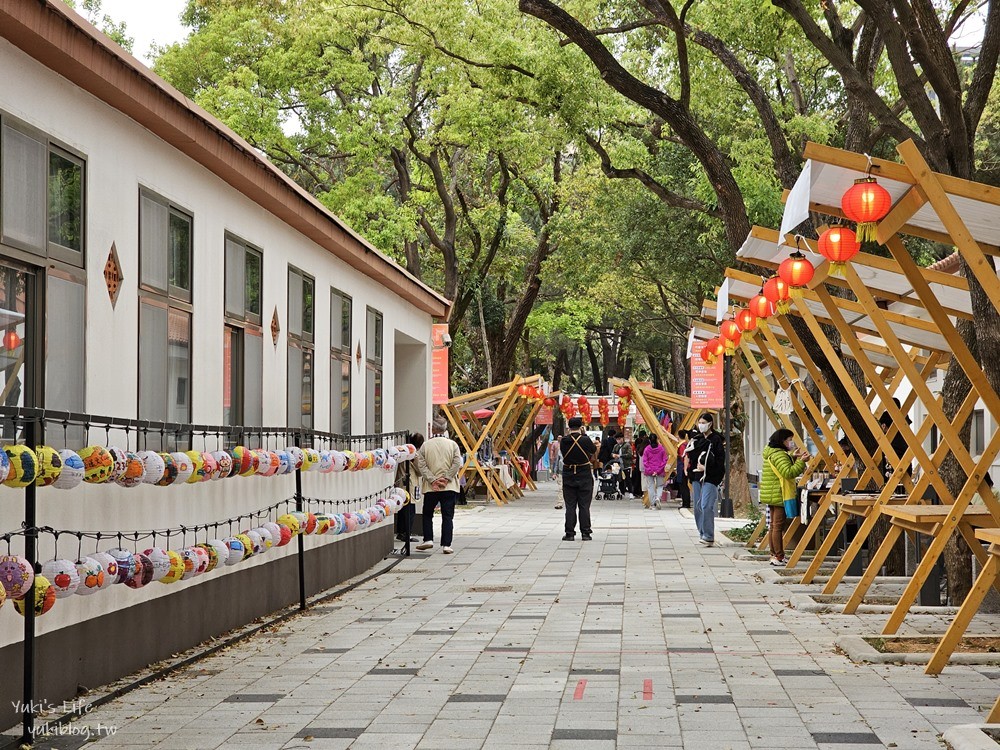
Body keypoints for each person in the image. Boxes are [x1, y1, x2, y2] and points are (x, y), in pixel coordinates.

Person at [760, 428, 809, 566]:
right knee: (777, 527)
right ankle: (779, 556)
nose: (791, 442)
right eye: (789, 439)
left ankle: (773, 554)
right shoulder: (780, 454)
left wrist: (793, 457)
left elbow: (782, 466)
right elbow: (788, 472)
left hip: (772, 493)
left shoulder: (773, 453)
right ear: (782, 441)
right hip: (779, 493)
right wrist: (801, 461)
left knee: (773, 526)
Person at [415, 420, 463, 554]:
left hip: (431, 487)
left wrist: (433, 480)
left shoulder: (426, 445)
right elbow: (456, 463)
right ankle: (446, 545)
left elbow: (421, 465)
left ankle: (428, 539)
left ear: (433, 430)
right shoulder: (453, 445)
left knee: (427, 513)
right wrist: (446, 478)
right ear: (445, 429)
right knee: (447, 515)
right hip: (449, 486)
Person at [687, 413, 726, 546]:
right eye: (700, 422)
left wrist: (706, 467)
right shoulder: (696, 439)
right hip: (696, 476)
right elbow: (690, 457)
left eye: (704, 422)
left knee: (706, 505)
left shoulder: (716, 440)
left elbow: (720, 461)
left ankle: (708, 535)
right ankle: (702, 532)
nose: (701, 425)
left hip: (711, 476)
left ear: (710, 424)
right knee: (698, 506)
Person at [560, 417, 597, 541]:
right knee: (584, 505)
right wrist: (584, 434)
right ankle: (586, 532)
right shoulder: (585, 440)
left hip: (569, 474)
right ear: (581, 426)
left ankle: (570, 533)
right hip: (584, 474)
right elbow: (593, 450)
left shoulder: (564, 441)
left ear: (569, 427)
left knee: (570, 505)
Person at [394, 431, 424, 544]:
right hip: (411, 484)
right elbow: (420, 471)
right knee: (410, 510)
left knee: (402, 508)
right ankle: (407, 533)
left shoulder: (403, 452)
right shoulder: (414, 455)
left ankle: (401, 532)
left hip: (401, 483)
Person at [641, 433, 667, 509]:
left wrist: (651, 470)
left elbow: (645, 461)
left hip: (649, 471)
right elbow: (664, 460)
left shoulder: (647, 449)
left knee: (650, 486)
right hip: (660, 470)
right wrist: (658, 470)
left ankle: (652, 504)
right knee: (660, 485)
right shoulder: (661, 449)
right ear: (656, 439)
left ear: (649, 440)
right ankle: (658, 498)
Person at [612, 433, 633, 499]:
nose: (618, 441)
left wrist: (620, 455)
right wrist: (613, 455)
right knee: (620, 479)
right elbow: (612, 452)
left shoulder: (627, 445)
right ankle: (621, 492)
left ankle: (631, 493)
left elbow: (630, 454)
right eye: (617, 439)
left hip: (626, 465)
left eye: (619, 439)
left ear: (622, 438)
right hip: (618, 465)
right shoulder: (616, 446)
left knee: (628, 479)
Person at [676, 429, 691, 509]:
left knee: (683, 486)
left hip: (682, 468)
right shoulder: (686, 444)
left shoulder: (682, 446)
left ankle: (686, 503)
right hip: (684, 467)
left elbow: (684, 457)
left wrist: (684, 469)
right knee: (684, 485)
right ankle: (686, 502)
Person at [632, 431, 649, 499]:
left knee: (639, 479)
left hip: (639, 465)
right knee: (644, 480)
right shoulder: (647, 448)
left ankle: (637, 492)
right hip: (645, 466)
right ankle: (643, 493)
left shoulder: (639, 447)